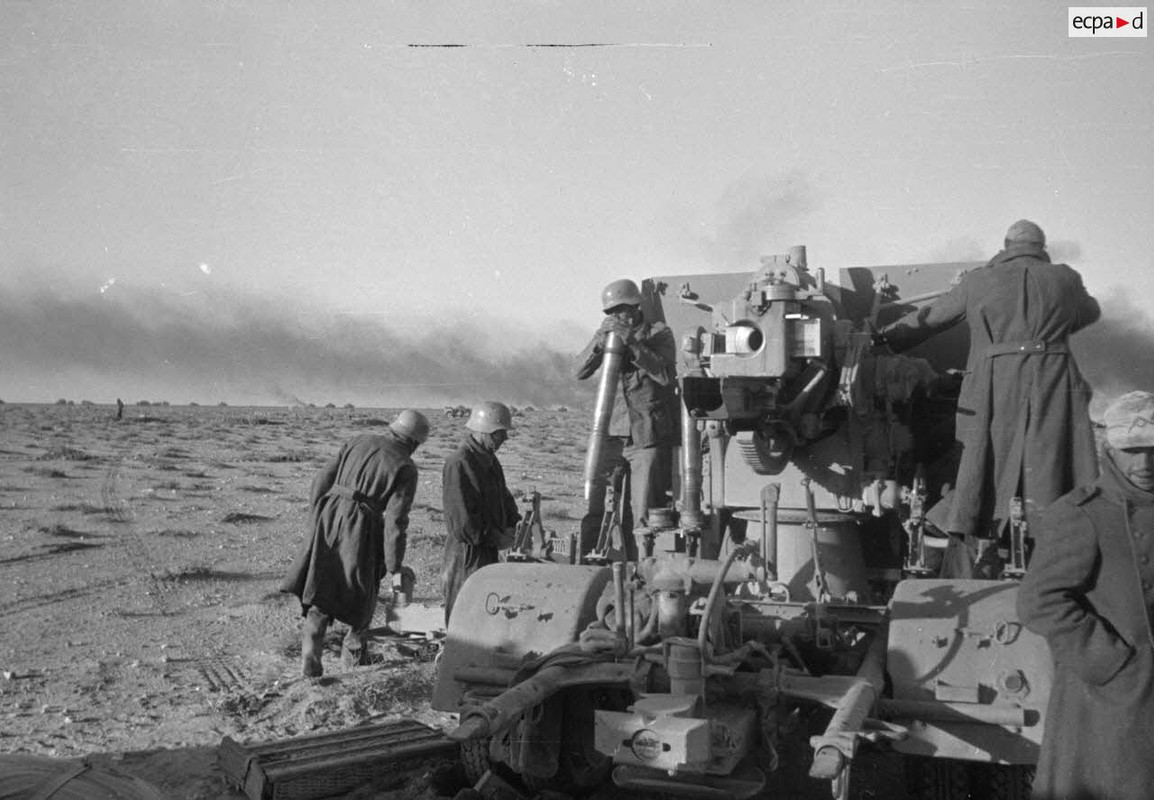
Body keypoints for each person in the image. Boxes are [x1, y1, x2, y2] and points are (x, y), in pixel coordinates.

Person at [877, 220, 1100, 573]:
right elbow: (1090, 312)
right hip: (1054, 381)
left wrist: (882, 337)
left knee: (981, 460)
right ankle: (1051, 553)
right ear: (1042, 246)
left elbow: (932, 318)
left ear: (1006, 245)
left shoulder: (980, 280)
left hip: (995, 382)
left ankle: (960, 536)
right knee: (1052, 460)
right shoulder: (1065, 278)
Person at [1017, 391, 1154, 800]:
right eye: (1132, 450)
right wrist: (1111, 663)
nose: (1144, 463)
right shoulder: (1082, 512)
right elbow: (1039, 600)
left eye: (1153, 449)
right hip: (1112, 700)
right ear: (1110, 447)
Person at [280, 409, 429, 677]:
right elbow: (396, 520)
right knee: (363, 590)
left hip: (328, 515)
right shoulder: (405, 466)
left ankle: (310, 657)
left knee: (320, 583)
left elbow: (321, 480)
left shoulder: (358, 440)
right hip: (361, 525)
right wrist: (394, 565)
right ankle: (354, 655)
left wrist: (318, 515)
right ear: (415, 442)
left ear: (393, 428)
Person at [575, 279, 679, 559]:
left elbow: (665, 375)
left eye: (619, 310)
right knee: (596, 509)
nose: (614, 317)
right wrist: (600, 341)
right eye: (610, 312)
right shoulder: (605, 335)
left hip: (646, 437)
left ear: (634, 309)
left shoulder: (659, 333)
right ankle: (589, 569)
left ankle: (641, 573)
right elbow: (579, 370)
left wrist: (631, 342)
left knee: (642, 513)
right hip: (609, 437)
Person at [440, 401, 519, 625]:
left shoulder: (490, 461)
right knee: (463, 611)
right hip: (467, 552)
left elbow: (504, 498)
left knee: (484, 608)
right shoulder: (460, 463)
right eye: (499, 433)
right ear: (483, 431)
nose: (505, 438)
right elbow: (462, 522)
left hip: (486, 546)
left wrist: (514, 524)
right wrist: (495, 537)